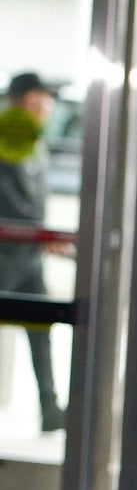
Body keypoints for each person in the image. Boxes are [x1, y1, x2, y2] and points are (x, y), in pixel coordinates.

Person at [0, 71, 67, 433]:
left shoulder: (31, 139)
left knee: (40, 329)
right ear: (29, 99)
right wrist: (39, 233)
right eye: (43, 100)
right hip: (6, 254)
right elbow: (9, 198)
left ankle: (50, 407)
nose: (47, 109)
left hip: (27, 257)